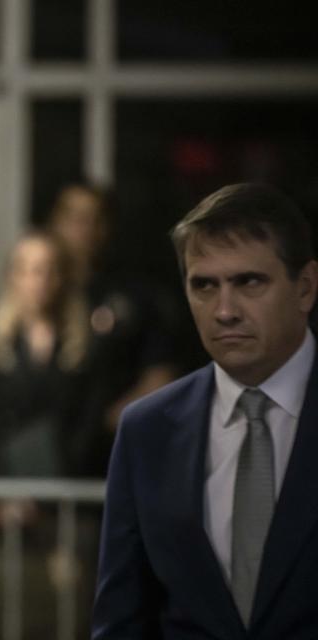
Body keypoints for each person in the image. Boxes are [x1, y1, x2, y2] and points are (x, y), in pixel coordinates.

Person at [93, 183, 318, 637]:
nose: (224, 310)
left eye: (249, 282)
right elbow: (122, 618)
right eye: (204, 286)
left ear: (306, 287)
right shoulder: (147, 430)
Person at [0, 231, 92, 639]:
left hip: (70, 496)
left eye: (47, 270)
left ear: (61, 278)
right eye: (28, 270)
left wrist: (47, 493)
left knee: (71, 617)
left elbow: (87, 425)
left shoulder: (82, 341)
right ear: (13, 277)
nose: (38, 280)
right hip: (10, 503)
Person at [45, 182, 178, 476]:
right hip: (42, 466)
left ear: (107, 227)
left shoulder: (133, 298)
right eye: (74, 217)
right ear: (54, 222)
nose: (84, 228)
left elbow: (160, 377)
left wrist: (103, 425)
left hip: (110, 460)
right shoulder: (39, 295)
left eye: (95, 218)